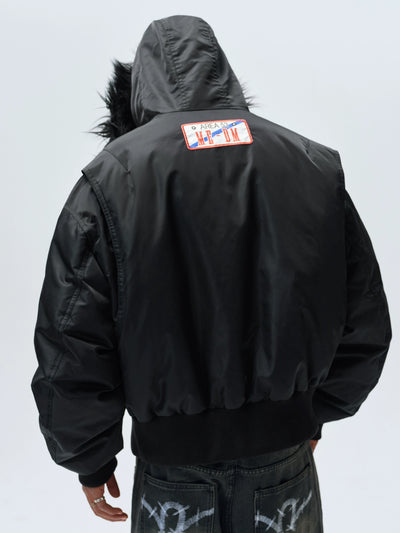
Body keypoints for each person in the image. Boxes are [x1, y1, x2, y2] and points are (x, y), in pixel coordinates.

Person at [31, 14, 392, 533]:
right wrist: (312, 411)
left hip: (172, 473)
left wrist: (89, 456)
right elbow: (364, 317)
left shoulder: (111, 179)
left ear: (139, 89)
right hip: (284, 462)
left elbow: (72, 338)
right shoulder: (310, 164)